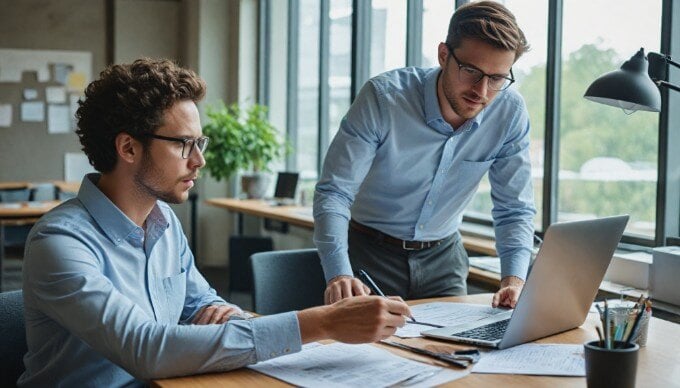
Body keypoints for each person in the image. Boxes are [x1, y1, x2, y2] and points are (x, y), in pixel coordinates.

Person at [18, 58, 411, 386]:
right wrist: (322, 323)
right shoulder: (59, 241)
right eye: (183, 144)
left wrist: (229, 317)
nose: (199, 161)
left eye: (199, 143)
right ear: (128, 147)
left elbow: (204, 303)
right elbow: (146, 349)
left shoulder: (164, 223)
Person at [314, 1, 536, 309]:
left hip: (444, 259)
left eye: (497, 78)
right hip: (369, 255)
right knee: (367, 355)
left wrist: (514, 279)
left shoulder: (509, 112)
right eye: (471, 71)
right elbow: (334, 193)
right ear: (444, 55)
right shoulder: (383, 99)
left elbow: (514, 209)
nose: (482, 91)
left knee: (460, 353)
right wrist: (339, 275)